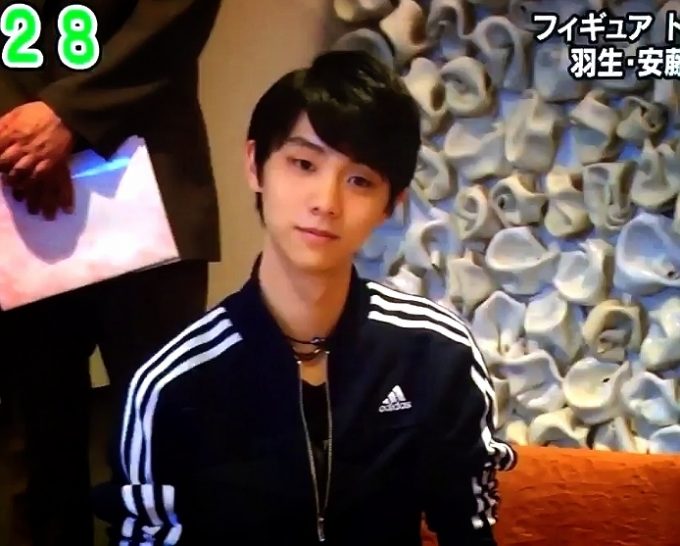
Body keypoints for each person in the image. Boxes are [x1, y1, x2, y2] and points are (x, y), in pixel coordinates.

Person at [92, 49, 517, 546]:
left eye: (359, 180)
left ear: (391, 203)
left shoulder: (435, 353)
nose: (326, 202)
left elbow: (469, 529)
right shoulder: (170, 386)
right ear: (255, 165)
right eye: (303, 164)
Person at [0, 1, 223, 545]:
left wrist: (70, 114)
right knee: (37, 442)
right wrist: (16, 136)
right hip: (12, 182)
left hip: (148, 176)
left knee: (162, 431)